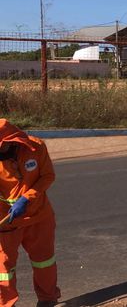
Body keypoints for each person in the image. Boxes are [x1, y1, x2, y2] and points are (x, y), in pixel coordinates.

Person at [0, 119, 60, 307]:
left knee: (44, 262)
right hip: (7, 223)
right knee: (3, 268)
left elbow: (48, 176)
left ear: (12, 142)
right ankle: (6, 304)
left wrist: (26, 199)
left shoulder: (36, 147)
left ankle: (47, 299)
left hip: (39, 218)